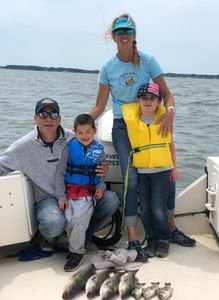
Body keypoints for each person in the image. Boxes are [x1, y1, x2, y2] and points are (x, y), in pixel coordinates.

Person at [89, 13, 175, 262]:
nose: (124, 35)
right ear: (113, 37)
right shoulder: (107, 67)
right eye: (119, 32)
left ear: (134, 35)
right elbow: (98, 106)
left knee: (164, 170)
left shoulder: (148, 61)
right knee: (131, 179)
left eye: (128, 31)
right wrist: (78, 126)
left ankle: (168, 228)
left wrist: (169, 112)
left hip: (148, 123)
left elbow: (168, 96)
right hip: (121, 127)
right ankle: (133, 235)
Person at [0, 98, 119, 261]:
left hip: (79, 193)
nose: (48, 118)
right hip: (48, 198)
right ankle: (51, 239)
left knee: (111, 200)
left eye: (53, 113)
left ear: (59, 119)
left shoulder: (74, 137)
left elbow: (96, 159)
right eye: (43, 114)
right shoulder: (23, 146)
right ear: (35, 118)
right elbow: (2, 164)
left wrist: (103, 169)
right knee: (53, 223)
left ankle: (84, 236)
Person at [55, 114, 115, 271]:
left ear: (94, 131)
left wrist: (100, 188)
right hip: (69, 192)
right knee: (69, 219)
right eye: (80, 132)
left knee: (80, 218)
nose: (84, 136)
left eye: (88, 132)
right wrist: (61, 196)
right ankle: (76, 245)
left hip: (87, 193)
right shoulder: (68, 148)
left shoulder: (97, 150)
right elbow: (60, 174)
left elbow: (101, 177)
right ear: (75, 132)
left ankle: (77, 253)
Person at [122, 82, 175, 257]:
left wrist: (175, 167)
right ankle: (152, 239)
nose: (148, 101)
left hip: (162, 171)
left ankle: (164, 239)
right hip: (143, 172)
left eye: (153, 98)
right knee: (145, 209)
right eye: (144, 98)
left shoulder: (165, 118)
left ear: (158, 102)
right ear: (138, 100)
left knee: (158, 208)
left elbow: (171, 145)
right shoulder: (132, 120)